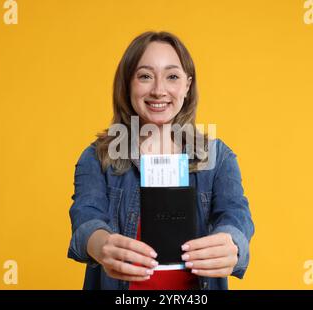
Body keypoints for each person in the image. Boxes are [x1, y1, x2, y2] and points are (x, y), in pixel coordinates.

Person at [67, 31, 254, 290]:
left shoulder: (217, 156)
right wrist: (100, 244)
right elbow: (85, 216)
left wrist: (233, 242)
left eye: (172, 77)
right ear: (127, 84)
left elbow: (236, 215)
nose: (158, 90)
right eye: (145, 76)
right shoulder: (97, 157)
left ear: (187, 86)